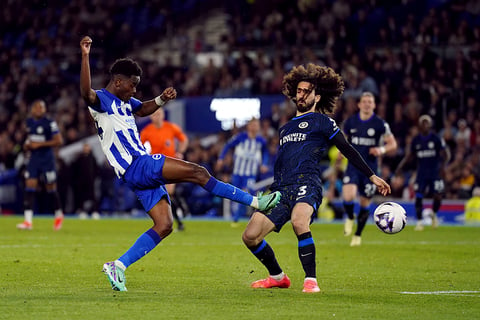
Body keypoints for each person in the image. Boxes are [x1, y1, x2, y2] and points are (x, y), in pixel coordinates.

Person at [79, 36, 281, 292]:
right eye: (132, 85)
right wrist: (85, 56)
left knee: (164, 225)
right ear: (118, 82)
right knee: (198, 172)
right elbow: (86, 92)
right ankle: (256, 202)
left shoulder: (127, 102)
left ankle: (118, 265)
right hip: (138, 165)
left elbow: (143, 109)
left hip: (137, 172)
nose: (135, 90)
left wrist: (161, 99)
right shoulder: (102, 102)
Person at [241, 63, 391, 293]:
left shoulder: (323, 122)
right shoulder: (285, 128)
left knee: (300, 222)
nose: (301, 95)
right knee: (250, 236)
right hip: (281, 189)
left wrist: (371, 176)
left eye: (306, 91)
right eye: (299, 91)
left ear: (317, 96)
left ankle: (311, 280)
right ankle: (278, 276)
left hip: (307, 184)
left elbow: (348, 149)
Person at [341, 91, 397, 246]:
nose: (367, 104)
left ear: (374, 105)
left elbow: (392, 144)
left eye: (370, 102)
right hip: (352, 166)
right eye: (364, 101)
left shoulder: (380, 124)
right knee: (348, 196)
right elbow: (343, 141)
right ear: (359, 104)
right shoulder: (350, 122)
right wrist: (341, 152)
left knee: (365, 202)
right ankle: (350, 217)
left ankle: (357, 235)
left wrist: (381, 150)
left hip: (371, 170)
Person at [394, 115, 450, 231]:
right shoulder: (416, 140)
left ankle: (434, 214)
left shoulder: (436, 139)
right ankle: (419, 222)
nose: (425, 125)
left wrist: (443, 167)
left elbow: (447, 154)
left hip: (435, 173)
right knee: (418, 196)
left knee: (438, 196)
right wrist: (400, 167)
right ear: (419, 125)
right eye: (423, 123)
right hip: (422, 173)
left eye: (427, 123)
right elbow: (409, 156)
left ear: (430, 125)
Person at [16, 100, 65, 230]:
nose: (38, 109)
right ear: (32, 109)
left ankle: (59, 214)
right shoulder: (29, 123)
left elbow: (59, 140)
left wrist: (39, 145)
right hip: (34, 159)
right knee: (30, 185)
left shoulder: (50, 122)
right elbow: (29, 139)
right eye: (36, 107)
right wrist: (27, 145)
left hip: (47, 160)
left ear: (45, 109)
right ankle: (28, 221)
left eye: (41, 107)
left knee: (51, 188)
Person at [140, 107, 189, 231]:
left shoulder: (170, 127)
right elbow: (140, 147)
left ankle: (179, 217)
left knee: (168, 192)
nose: (157, 116)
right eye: (154, 114)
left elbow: (183, 139)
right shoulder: (147, 131)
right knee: (164, 195)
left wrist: (180, 152)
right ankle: (179, 214)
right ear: (151, 117)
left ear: (163, 115)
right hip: (155, 167)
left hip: (170, 164)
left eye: (159, 113)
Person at [215, 118, 270, 225]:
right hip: (237, 172)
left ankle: (237, 218)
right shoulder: (240, 137)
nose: (254, 127)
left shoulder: (261, 141)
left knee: (247, 192)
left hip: (251, 174)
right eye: (253, 125)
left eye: (256, 125)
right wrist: (221, 158)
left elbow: (266, 153)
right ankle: (239, 214)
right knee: (236, 194)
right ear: (249, 126)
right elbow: (227, 146)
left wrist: (264, 164)